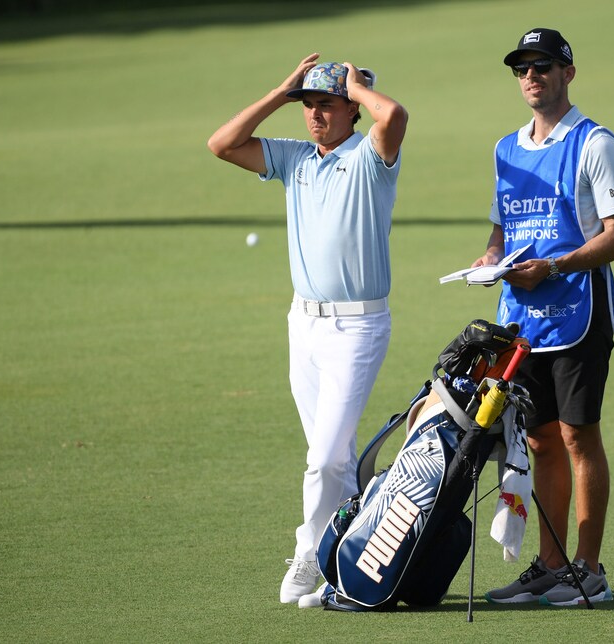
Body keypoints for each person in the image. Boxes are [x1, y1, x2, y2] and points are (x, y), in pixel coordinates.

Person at [207, 53, 408, 608]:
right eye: (309, 106)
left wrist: (355, 85)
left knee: (324, 459)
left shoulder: (371, 157)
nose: (315, 115)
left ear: (350, 111)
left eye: (327, 105)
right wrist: (281, 91)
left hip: (358, 328)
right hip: (304, 324)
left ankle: (308, 550)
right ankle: (342, 568)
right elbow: (221, 144)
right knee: (334, 457)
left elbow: (393, 116)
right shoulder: (295, 160)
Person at [474, 28, 614, 607]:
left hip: (579, 315)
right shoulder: (505, 148)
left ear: (568, 72)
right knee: (540, 443)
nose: (531, 75)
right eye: (522, 67)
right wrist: (488, 263)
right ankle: (549, 565)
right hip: (521, 320)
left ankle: (589, 569)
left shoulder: (595, 143)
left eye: (543, 65)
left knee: (577, 435)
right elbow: (501, 233)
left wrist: (556, 265)